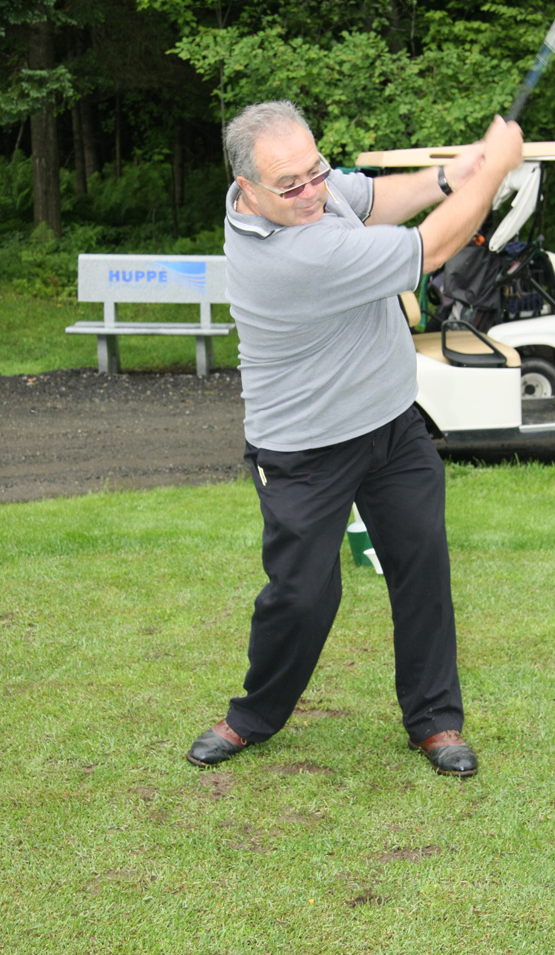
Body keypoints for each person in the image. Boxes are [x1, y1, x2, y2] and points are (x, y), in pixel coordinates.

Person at [187, 100, 523, 777]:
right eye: (293, 184)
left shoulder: (303, 189)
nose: (314, 191)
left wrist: (454, 173)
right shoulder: (293, 254)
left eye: (317, 170)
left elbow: (372, 195)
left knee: (420, 565)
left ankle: (436, 719)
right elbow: (434, 247)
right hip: (303, 449)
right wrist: (494, 176)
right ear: (245, 189)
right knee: (305, 595)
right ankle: (254, 713)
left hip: (392, 425)